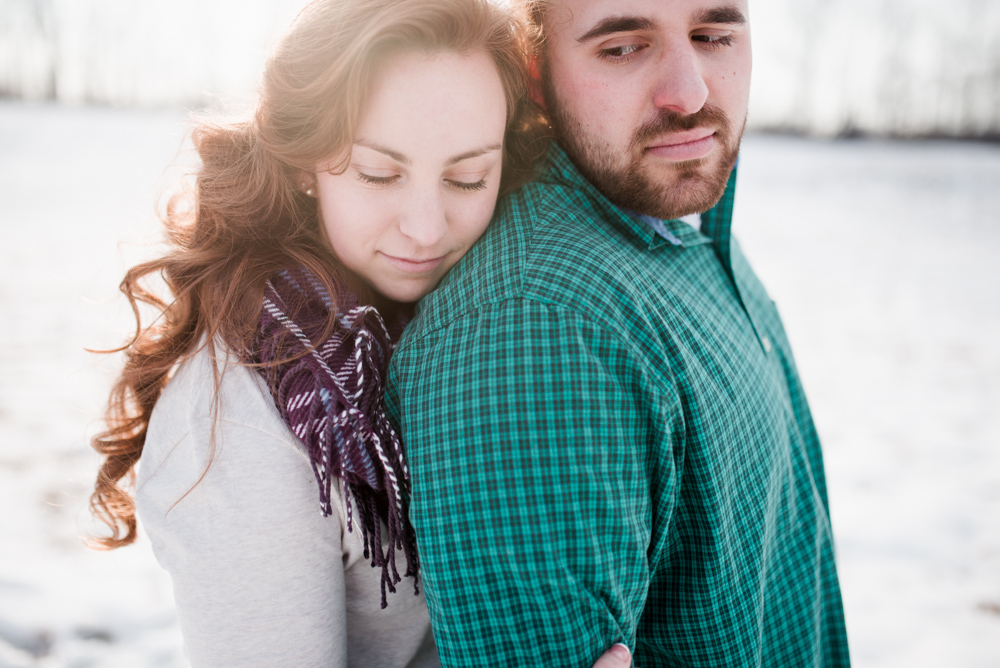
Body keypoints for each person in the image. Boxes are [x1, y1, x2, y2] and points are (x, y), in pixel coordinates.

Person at [87, 0, 632, 666]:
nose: (428, 228)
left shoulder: (480, 318)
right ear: (301, 164)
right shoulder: (240, 428)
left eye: (468, 177)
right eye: (380, 174)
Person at [385, 0, 852, 666]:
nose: (689, 94)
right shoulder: (537, 329)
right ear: (534, 72)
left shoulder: (674, 208)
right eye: (622, 48)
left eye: (715, 35)